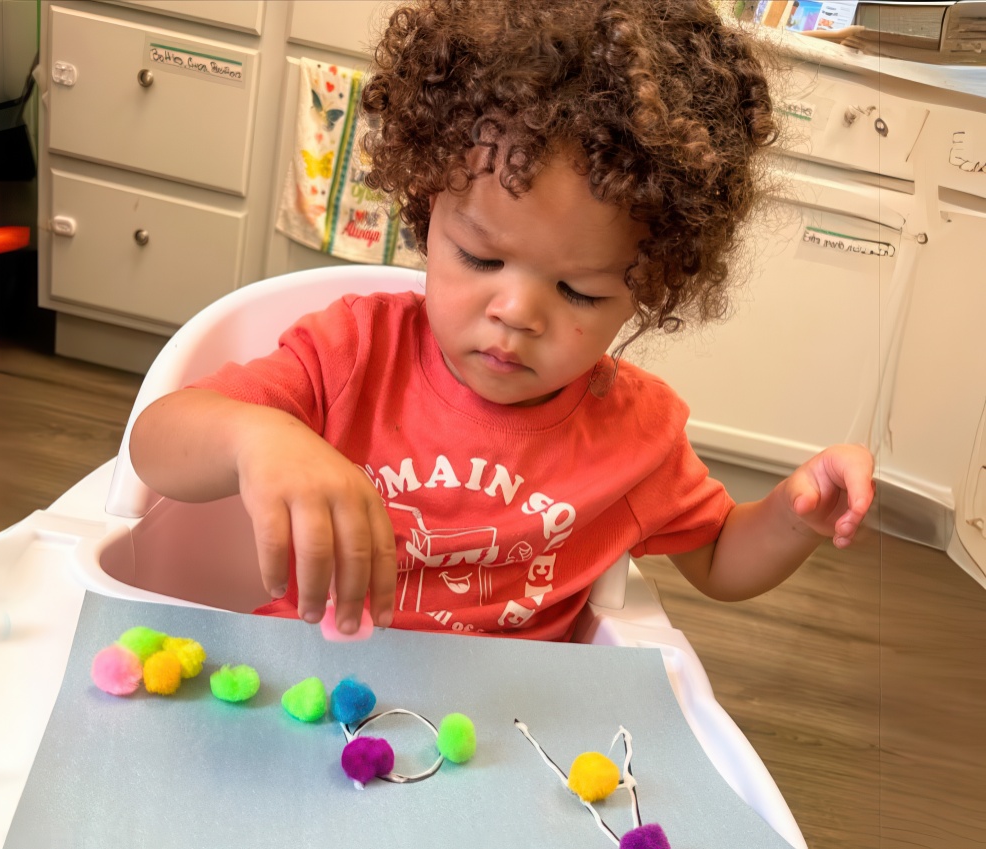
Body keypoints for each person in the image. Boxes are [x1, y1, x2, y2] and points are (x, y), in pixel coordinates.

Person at [130, 0, 874, 641]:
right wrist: (258, 437)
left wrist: (795, 514)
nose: (516, 312)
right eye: (481, 260)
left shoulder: (635, 435)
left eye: (579, 292)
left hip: (500, 738)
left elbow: (718, 557)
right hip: (310, 689)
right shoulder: (351, 353)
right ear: (426, 208)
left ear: (651, 284)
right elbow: (155, 445)